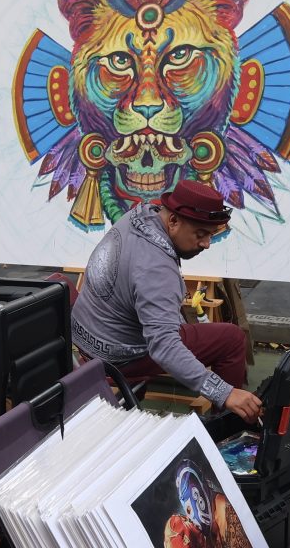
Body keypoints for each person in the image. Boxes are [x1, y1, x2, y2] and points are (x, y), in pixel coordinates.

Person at [71, 180, 262, 423]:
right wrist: (225, 393)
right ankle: (227, 426)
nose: (206, 244)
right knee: (232, 338)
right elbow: (163, 347)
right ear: (173, 221)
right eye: (201, 234)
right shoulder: (157, 270)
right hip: (119, 355)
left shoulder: (140, 214)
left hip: (85, 332)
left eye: (211, 235)